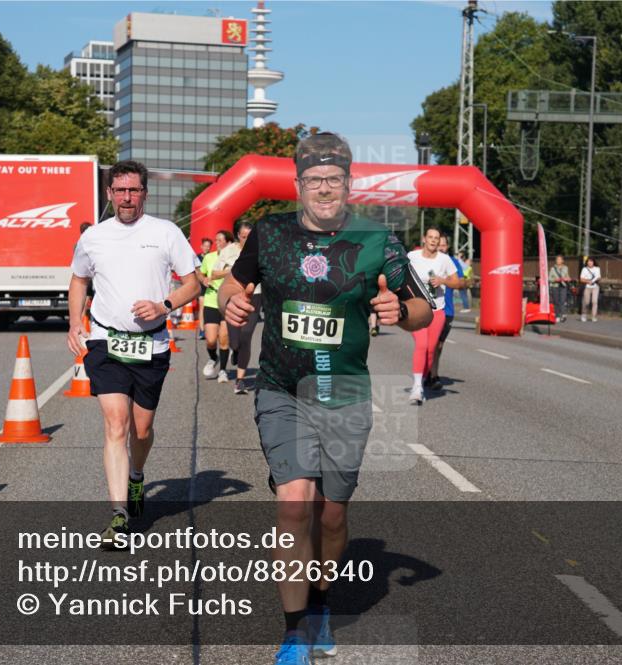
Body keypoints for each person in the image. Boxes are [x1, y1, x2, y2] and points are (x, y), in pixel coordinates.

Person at [219, 132, 433, 665]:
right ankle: (294, 633)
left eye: (332, 180)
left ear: (348, 183)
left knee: (330, 514)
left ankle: (320, 600)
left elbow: (422, 310)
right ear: (297, 184)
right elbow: (231, 283)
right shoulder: (269, 233)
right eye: (313, 180)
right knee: (294, 503)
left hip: (344, 392)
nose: (323, 188)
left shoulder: (376, 241)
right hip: (281, 387)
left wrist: (397, 313)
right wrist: (232, 305)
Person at [66, 160, 201, 547]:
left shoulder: (166, 233)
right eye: (120, 190)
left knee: (141, 430)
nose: (127, 197)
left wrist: (164, 304)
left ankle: (137, 475)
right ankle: (119, 516)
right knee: (116, 424)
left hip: (152, 345)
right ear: (109, 193)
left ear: (145, 192)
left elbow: (193, 284)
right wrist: (76, 320)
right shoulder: (93, 237)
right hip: (106, 342)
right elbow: (78, 279)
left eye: (134, 190)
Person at [407, 228, 467, 405]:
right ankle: (417, 387)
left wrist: (443, 281)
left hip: (437, 311)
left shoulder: (445, 260)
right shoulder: (412, 256)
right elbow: (398, 272)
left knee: (431, 349)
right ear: (424, 239)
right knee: (422, 344)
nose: (433, 241)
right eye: (431, 237)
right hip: (416, 309)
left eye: (437, 238)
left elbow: (458, 282)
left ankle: (423, 378)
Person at [426, 232, 466, 391]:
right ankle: (429, 373)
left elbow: (462, 283)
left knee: (439, 345)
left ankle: (432, 373)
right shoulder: (428, 261)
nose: (440, 247)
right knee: (429, 344)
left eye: (443, 245)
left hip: (447, 310)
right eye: (438, 244)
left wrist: (443, 280)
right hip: (428, 308)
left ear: (447, 246)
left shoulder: (453, 262)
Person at [226, 221, 262, 394]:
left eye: (250, 237)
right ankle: (235, 350)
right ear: (237, 236)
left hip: (255, 297)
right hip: (235, 297)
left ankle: (240, 380)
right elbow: (214, 272)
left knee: (246, 336)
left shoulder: (261, 250)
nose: (246, 240)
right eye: (243, 237)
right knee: (234, 341)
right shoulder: (229, 251)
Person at [200, 230, 233, 382]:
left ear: (228, 242)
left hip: (228, 301)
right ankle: (214, 358)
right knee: (211, 340)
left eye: (220, 240)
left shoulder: (234, 258)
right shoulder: (209, 257)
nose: (217, 242)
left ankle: (223, 371)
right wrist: (204, 280)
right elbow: (200, 273)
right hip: (211, 301)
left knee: (224, 338)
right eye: (216, 240)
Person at [197, 237, 213, 339]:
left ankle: (211, 329)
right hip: (201, 286)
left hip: (211, 286)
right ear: (201, 246)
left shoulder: (212, 257)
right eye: (205, 246)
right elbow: (196, 272)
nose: (206, 248)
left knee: (210, 309)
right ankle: (202, 330)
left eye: (208, 246)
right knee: (202, 308)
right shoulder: (197, 258)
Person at [548, 255, 572, 322]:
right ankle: (557, 315)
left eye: (560, 259)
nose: (558, 261)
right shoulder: (552, 268)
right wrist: (556, 279)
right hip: (555, 286)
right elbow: (549, 278)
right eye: (557, 259)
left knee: (562, 301)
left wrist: (568, 279)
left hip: (563, 286)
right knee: (556, 301)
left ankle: (563, 314)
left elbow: (567, 276)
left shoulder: (565, 268)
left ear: (562, 261)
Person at [580, 256, 601, 322]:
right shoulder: (584, 269)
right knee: (586, 302)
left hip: (595, 287)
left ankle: (594, 316)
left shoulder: (597, 268)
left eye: (591, 261)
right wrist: (588, 281)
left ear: (593, 262)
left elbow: (599, 277)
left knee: (594, 301)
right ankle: (584, 314)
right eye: (589, 261)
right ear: (587, 262)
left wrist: (595, 280)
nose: (590, 263)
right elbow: (581, 279)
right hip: (587, 287)